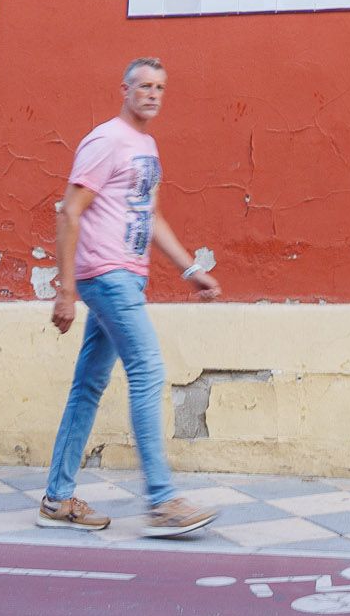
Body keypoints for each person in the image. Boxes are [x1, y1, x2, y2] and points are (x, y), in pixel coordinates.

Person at [39, 57, 220, 536]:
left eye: (160, 87)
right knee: (148, 370)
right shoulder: (106, 140)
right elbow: (69, 211)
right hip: (107, 275)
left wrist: (190, 270)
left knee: (88, 386)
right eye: (144, 86)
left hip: (127, 277)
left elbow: (151, 216)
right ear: (124, 90)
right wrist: (65, 291)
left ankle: (57, 499)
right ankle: (162, 501)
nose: (153, 94)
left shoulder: (146, 146)